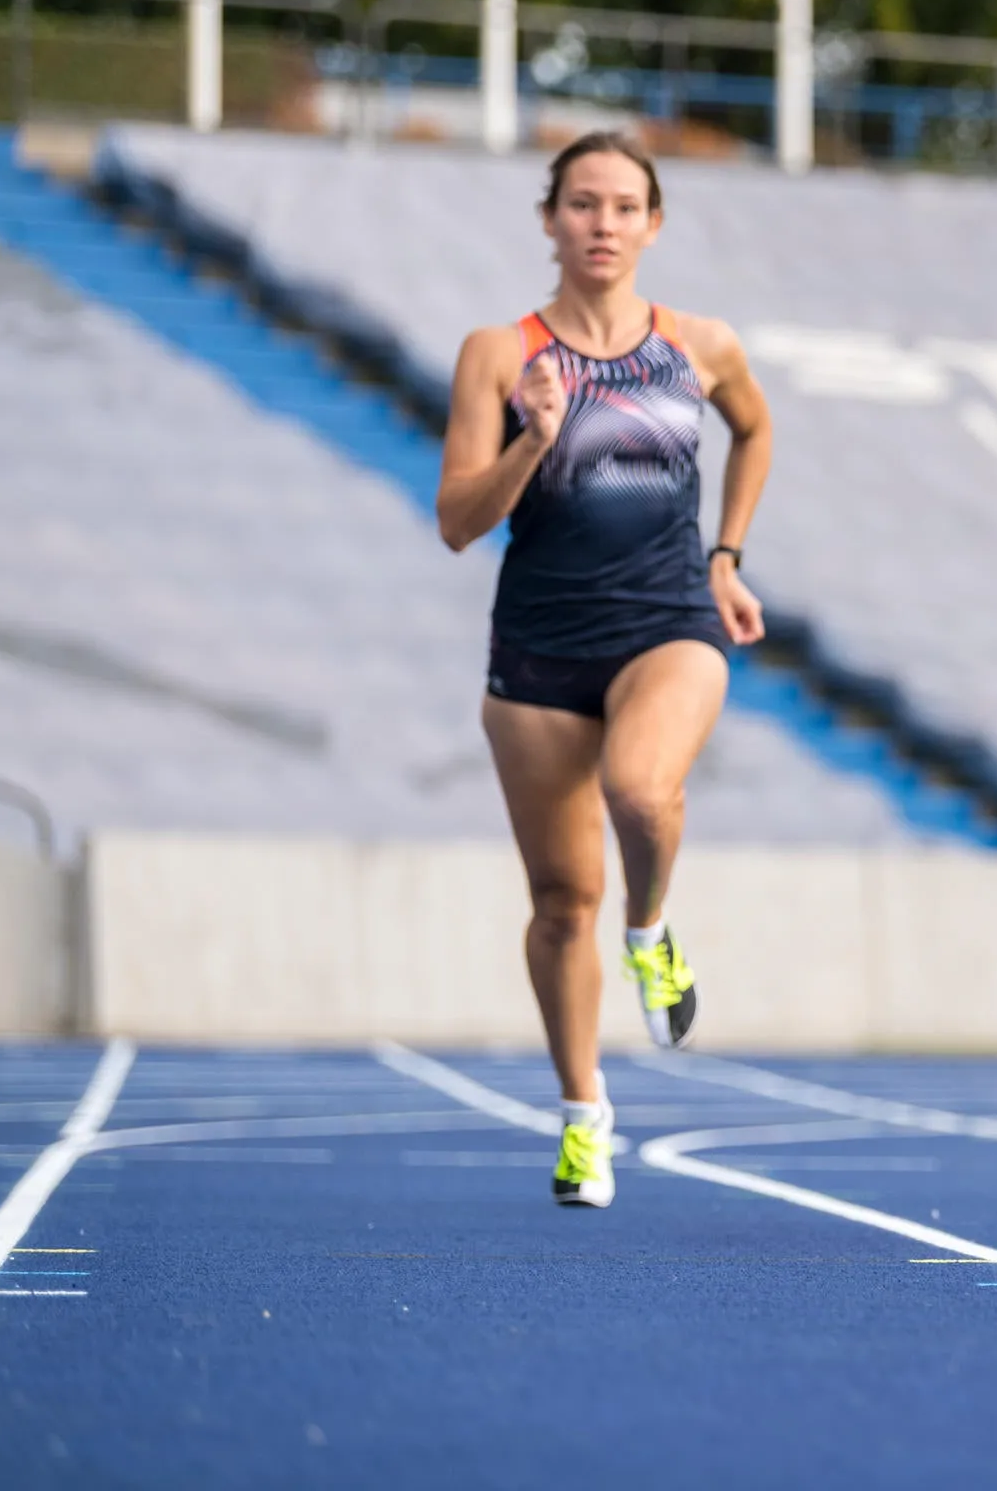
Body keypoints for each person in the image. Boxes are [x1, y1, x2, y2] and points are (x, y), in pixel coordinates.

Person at [436, 130, 772, 1208]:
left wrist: (727, 553)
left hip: (669, 621)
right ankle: (585, 1115)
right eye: (582, 203)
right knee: (557, 901)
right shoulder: (498, 352)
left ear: (654, 225)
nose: (603, 224)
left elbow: (756, 430)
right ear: (549, 219)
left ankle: (653, 928)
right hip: (537, 646)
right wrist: (532, 438)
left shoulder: (702, 343)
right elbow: (455, 520)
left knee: (641, 787)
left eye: (625, 206)